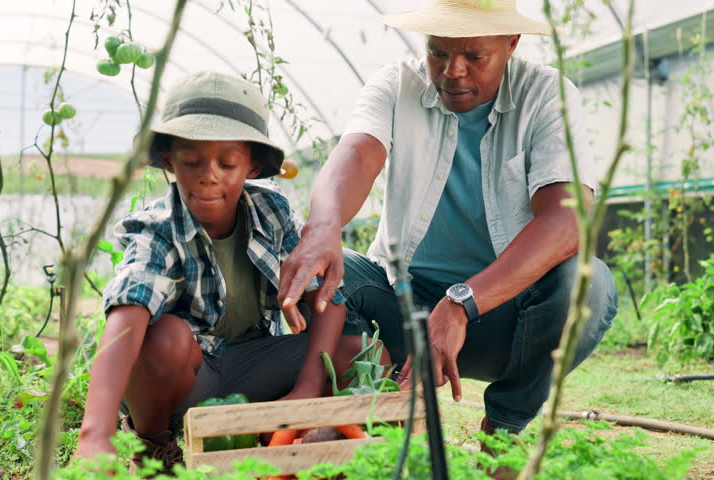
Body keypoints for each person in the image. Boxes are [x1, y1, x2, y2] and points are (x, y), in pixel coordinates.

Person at [278, 0, 619, 463]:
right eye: (438, 53)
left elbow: (567, 221)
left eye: (475, 57)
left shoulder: (547, 95)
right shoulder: (398, 84)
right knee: (329, 275)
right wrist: (322, 227)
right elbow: (358, 153)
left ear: (511, 44)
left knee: (588, 283)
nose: (452, 72)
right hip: (403, 302)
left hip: (506, 315)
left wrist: (461, 302)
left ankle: (504, 430)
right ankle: (370, 411)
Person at [73, 72, 358, 475]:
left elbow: (329, 300)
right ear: (170, 162)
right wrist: (95, 433)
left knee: (357, 351)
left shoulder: (272, 212)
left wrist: (307, 387)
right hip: (186, 384)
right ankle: (155, 449)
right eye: (191, 161)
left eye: (227, 162)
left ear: (253, 166)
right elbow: (126, 314)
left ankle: (292, 439)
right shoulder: (158, 229)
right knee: (165, 337)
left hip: (253, 365)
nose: (209, 174)